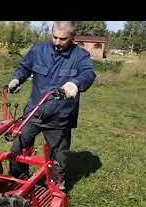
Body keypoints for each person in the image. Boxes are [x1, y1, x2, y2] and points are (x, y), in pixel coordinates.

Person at [7, 21, 96, 191]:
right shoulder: (38, 51)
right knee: (18, 146)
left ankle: (56, 185)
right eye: (54, 37)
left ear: (72, 37)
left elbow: (88, 73)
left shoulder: (80, 56)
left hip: (60, 116)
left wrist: (75, 84)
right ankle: (19, 180)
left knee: (59, 154)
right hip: (35, 110)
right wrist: (17, 79)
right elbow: (25, 67)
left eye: (63, 39)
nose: (57, 42)